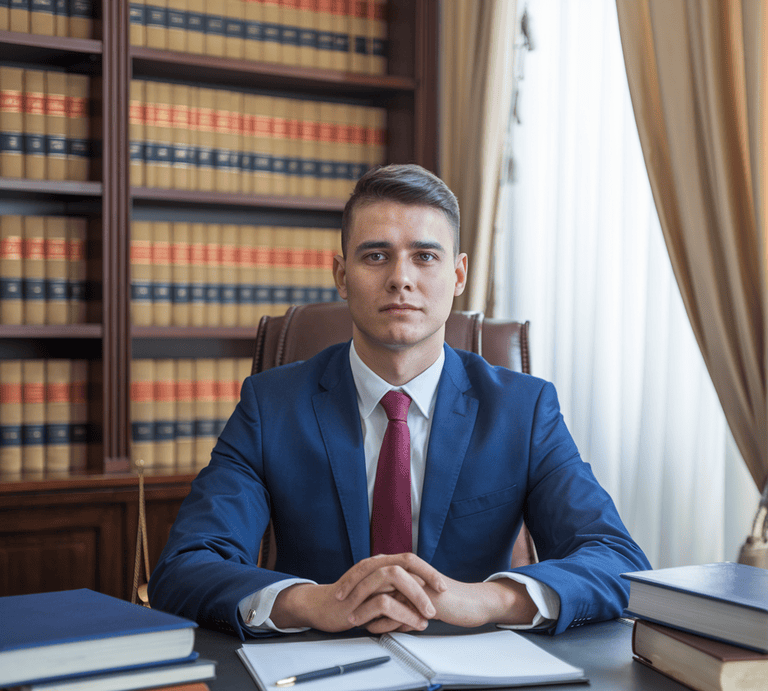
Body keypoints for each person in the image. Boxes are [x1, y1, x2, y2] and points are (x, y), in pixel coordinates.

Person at [148, 164, 650, 638]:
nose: (400, 278)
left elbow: (617, 560)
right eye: (376, 255)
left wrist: (489, 600)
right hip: (316, 675)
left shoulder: (523, 410)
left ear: (458, 275)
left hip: (477, 678)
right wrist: (309, 602)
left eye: (425, 256)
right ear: (342, 276)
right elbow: (185, 566)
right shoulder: (270, 406)